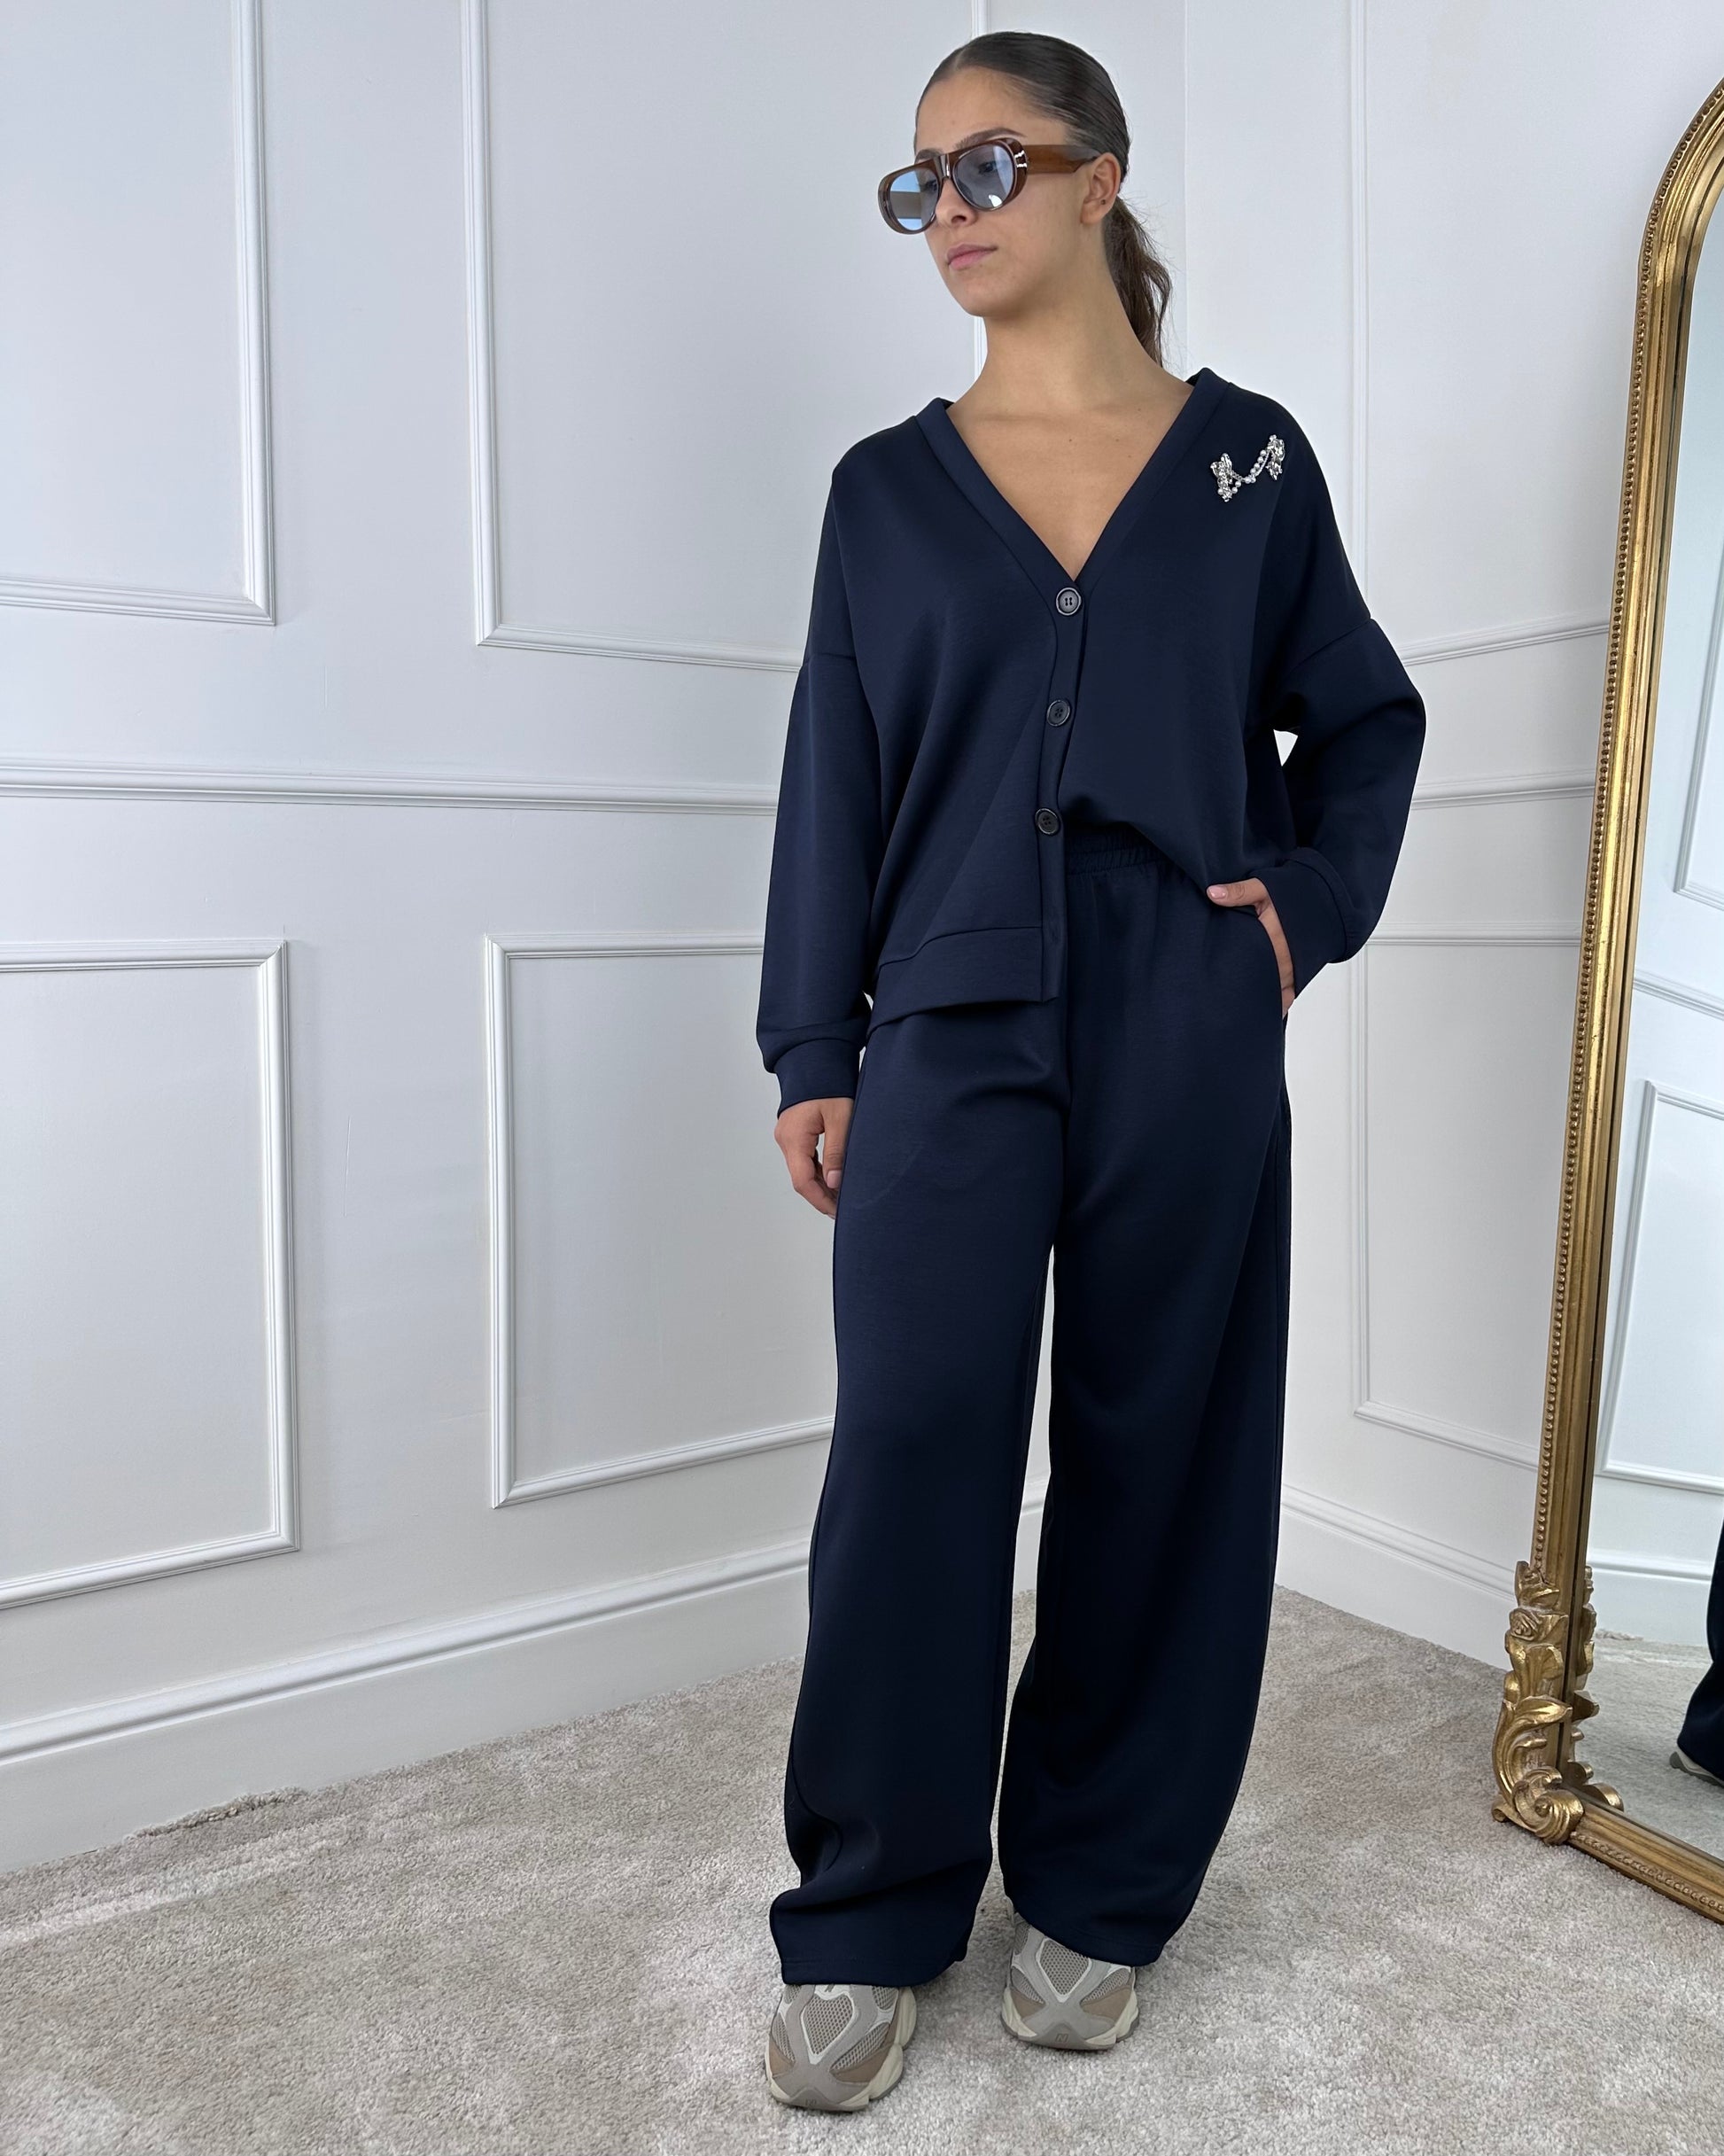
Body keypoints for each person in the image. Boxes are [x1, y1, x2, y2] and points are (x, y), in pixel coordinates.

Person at [754, 29, 1426, 2113]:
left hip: (1184, 1011)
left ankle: (1102, 1885)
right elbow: (833, 775)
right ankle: (869, 1905)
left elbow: (1365, 719)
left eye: (989, 167)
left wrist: (1298, 911)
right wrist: (811, 1036)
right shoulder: (884, 492)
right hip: (948, 1024)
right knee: (914, 1452)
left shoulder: (1249, 466)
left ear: (1095, 179)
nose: (948, 211)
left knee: (1165, 1449)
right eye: (919, 182)